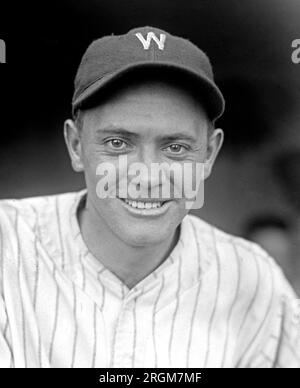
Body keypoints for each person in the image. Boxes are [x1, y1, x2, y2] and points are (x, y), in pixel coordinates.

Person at [0, 26, 299, 368]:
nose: (147, 175)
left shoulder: (250, 277)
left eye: (175, 147)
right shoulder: (9, 246)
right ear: (76, 145)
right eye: (117, 143)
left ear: (209, 155)